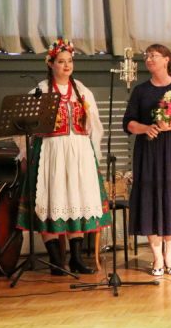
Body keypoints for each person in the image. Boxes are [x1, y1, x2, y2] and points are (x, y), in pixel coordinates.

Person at [15, 38, 111, 275]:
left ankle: (76, 259)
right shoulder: (40, 91)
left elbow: (95, 125)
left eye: (69, 61)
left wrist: (94, 154)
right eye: (61, 61)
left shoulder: (82, 91)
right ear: (51, 64)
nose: (67, 66)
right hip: (51, 151)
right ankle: (56, 261)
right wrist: (26, 153)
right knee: (52, 200)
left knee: (75, 199)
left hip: (78, 152)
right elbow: (21, 126)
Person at [122, 44, 171, 276]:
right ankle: (157, 258)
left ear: (166, 60)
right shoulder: (141, 91)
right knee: (150, 197)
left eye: (154, 55)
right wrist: (147, 128)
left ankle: (170, 257)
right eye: (147, 56)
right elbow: (128, 123)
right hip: (149, 151)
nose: (149, 59)